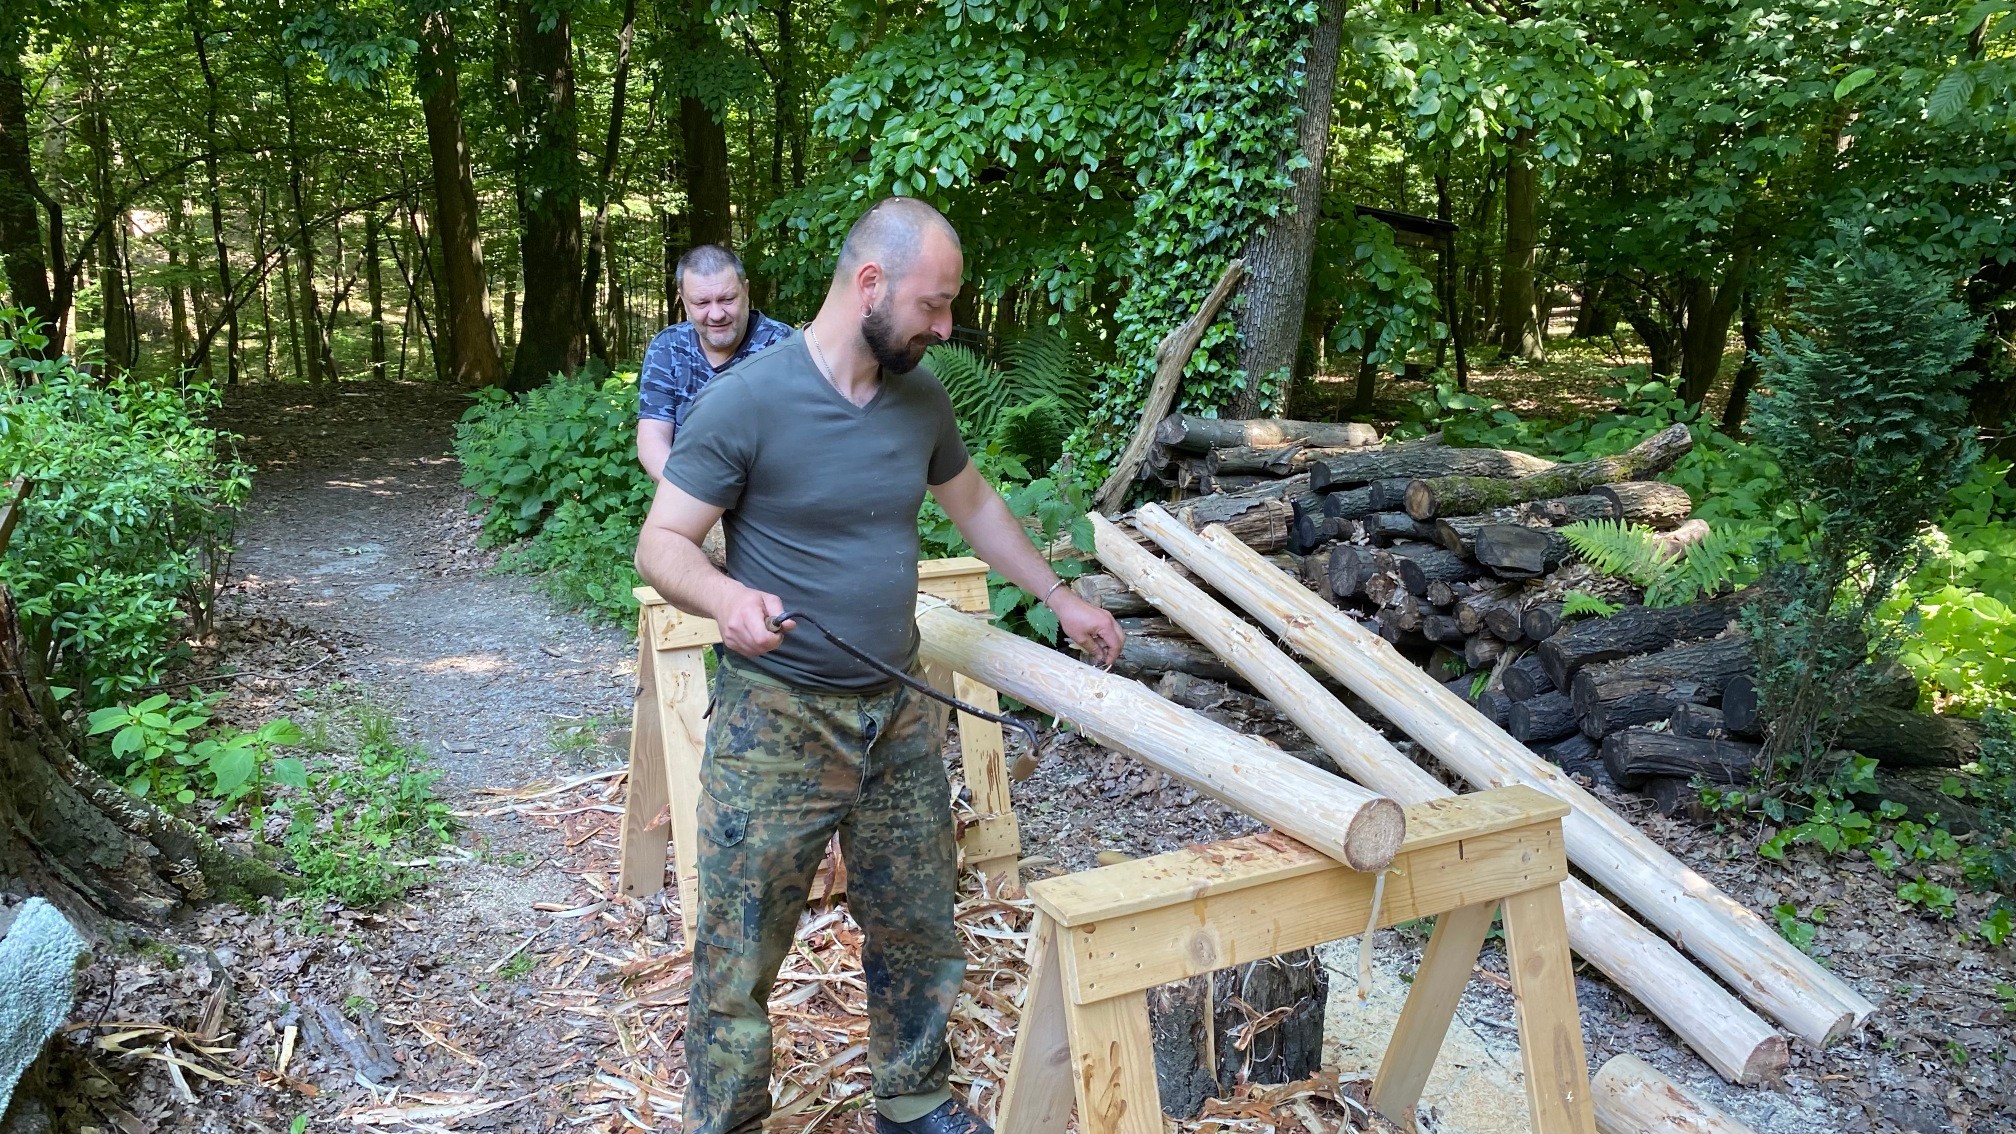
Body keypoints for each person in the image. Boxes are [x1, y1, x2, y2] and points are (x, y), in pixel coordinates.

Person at [633, 198, 1124, 1134]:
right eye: (933, 305)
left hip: (895, 714)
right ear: (870, 283)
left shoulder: (921, 398)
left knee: (918, 924)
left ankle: (913, 1099)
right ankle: (728, 1117)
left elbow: (975, 504)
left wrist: (1059, 596)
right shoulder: (747, 401)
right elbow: (662, 543)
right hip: (777, 720)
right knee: (739, 946)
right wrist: (726, 600)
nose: (945, 325)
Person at [635, 244, 794, 482]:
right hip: (682, 486)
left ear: (746, 290)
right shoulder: (667, 346)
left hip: (765, 494)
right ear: (684, 301)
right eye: (702, 303)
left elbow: (795, 443)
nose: (717, 314)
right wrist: (683, 492)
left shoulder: (783, 346)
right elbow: (652, 437)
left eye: (727, 299)